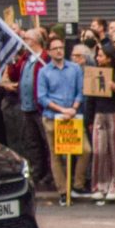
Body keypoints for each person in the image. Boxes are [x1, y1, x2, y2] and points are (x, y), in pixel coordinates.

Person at [38, 38, 88, 194]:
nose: (59, 50)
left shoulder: (75, 69)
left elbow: (80, 91)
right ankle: (63, 191)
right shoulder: (44, 71)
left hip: (73, 116)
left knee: (86, 150)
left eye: (61, 47)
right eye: (55, 48)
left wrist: (73, 108)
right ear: (49, 52)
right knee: (56, 155)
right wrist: (61, 110)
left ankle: (78, 184)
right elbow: (42, 97)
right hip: (53, 117)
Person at [88, 42, 115, 202]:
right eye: (97, 56)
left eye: (101, 56)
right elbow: (90, 98)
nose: (98, 58)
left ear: (109, 58)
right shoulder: (94, 72)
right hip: (99, 114)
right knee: (99, 151)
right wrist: (89, 119)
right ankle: (100, 184)